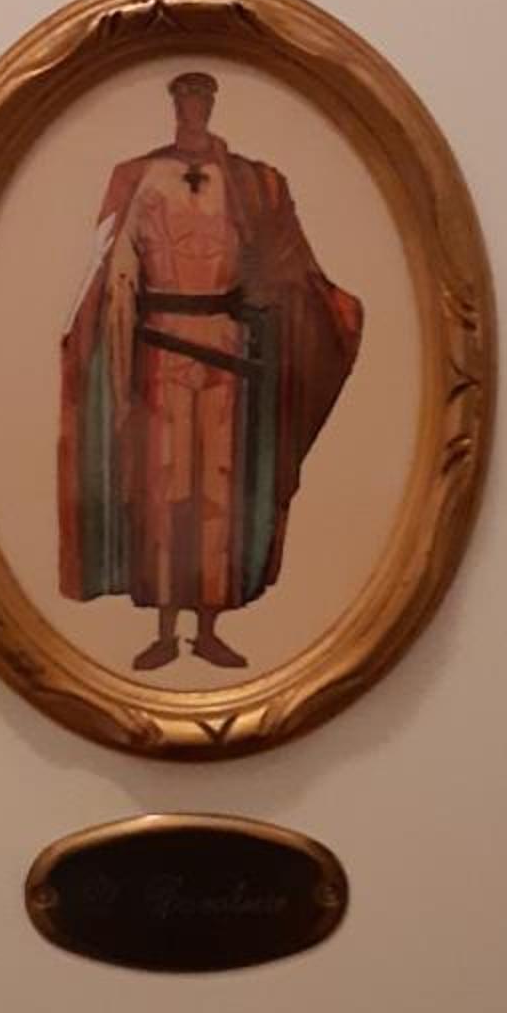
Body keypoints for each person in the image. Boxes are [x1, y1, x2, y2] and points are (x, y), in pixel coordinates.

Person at [59, 70, 363, 671]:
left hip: (227, 352)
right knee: (163, 487)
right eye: (185, 100)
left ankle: (208, 628)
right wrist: (113, 355)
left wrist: (277, 300)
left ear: (212, 106)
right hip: (158, 352)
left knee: (217, 490)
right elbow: (115, 272)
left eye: (202, 100)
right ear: (175, 106)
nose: (193, 110)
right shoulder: (139, 177)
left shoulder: (250, 183)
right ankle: (164, 630)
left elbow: (281, 268)